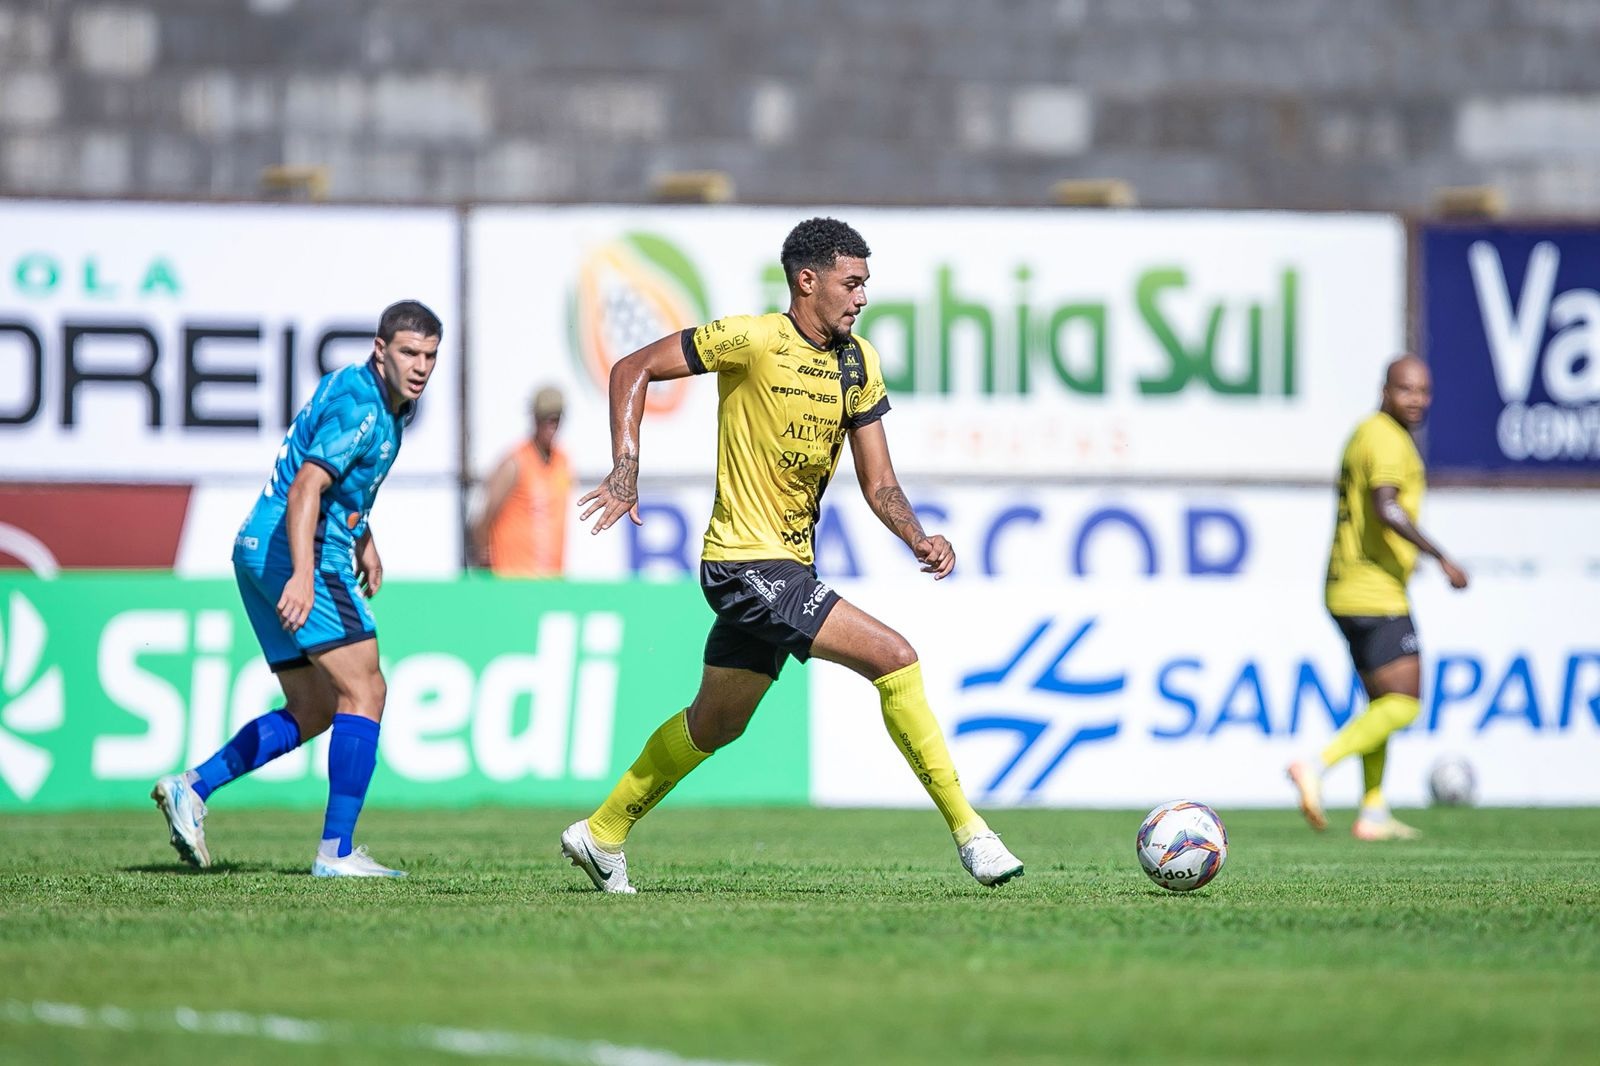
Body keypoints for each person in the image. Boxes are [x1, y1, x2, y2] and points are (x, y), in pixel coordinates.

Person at [559, 217, 1023, 893]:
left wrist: (917, 536)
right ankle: (973, 834)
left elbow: (880, 482)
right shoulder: (751, 339)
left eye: (866, 284)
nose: (862, 297)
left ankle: (601, 834)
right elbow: (633, 367)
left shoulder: (857, 362)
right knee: (894, 658)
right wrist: (626, 466)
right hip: (743, 565)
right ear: (808, 281)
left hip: (786, 568)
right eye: (852, 282)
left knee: (717, 722)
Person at [150, 300, 443, 877]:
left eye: (431, 356)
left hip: (258, 550)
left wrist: (364, 537)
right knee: (367, 691)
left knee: (313, 708)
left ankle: (192, 788)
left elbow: (339, 485)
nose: (421, 367)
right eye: (409, 352)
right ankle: (336, 853)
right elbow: (307, 486)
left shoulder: (381, 401)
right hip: (294, 552)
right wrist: (306, 575)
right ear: (380, 350)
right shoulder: (363, 401)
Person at [1289, 354, 1469, 841]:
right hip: (1373, 591)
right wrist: (1441, 557)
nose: (1417, 400)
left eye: (1424, 391)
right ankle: (1315, 765)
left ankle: (1372, 810)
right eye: (1407, 389)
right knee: (1405, 704)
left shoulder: (1366, 432)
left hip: (1347, 586)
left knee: (1380, 703)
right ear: (1385, 390)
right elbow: (1385, 505)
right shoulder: (1387, 441)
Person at [472, 386, 571, 577]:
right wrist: (486, 563)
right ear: (534, 418)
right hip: (514, 578)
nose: (551, 425)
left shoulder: (563, 462)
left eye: (556, 419)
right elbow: (484, 518)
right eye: (546, 418)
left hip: (551, 577)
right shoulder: (515, 463)